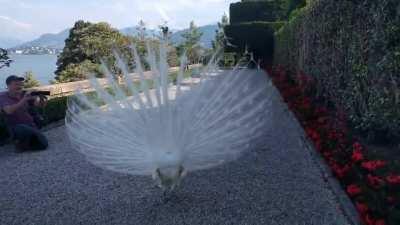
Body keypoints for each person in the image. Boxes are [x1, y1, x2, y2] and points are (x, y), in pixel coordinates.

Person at [0, 75, 48, 151]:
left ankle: (24, 143)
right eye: (16, 84)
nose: (19, 86)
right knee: (22, 128)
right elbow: (8, 111)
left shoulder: (24, 93)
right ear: (8, 85)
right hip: (16, 128)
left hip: (30, 124)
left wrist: (41, 98)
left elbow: (40, 105)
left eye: (20, 84)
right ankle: (22, 141)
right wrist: (24, 100)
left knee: (42, 143)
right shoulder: (3, 97)